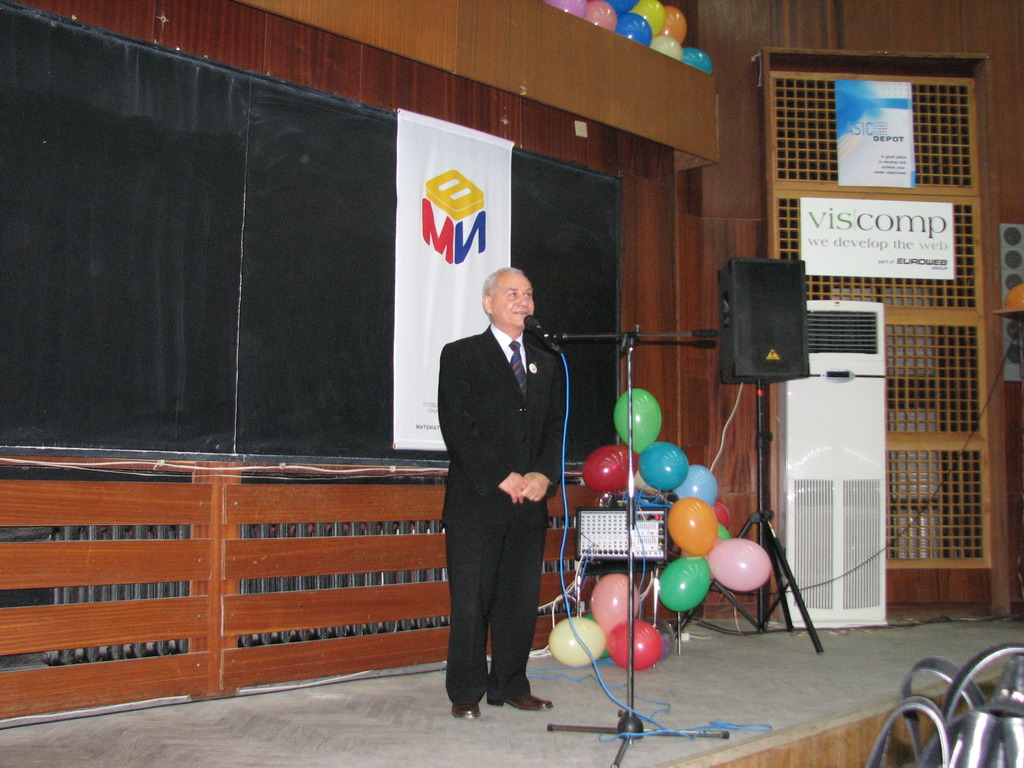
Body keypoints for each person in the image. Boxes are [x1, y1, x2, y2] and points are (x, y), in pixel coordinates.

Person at [437, 267, 566, 720]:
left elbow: (555, 429)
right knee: (471, 602)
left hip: (529, 503)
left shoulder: (547, 361)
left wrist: (544, 476)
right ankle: (466, 691)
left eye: (528, 294)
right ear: (488, 302)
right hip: (478, 501)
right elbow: (458, 426)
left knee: (518, 602)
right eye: (512, 293)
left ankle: (511, 684)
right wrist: (500, 475)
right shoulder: (461, 355)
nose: (523, 301)